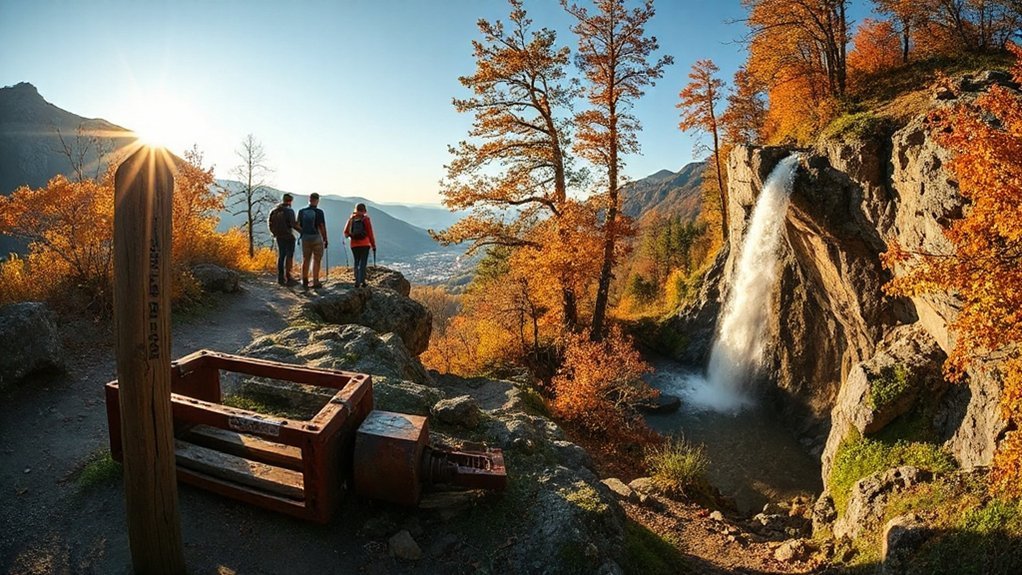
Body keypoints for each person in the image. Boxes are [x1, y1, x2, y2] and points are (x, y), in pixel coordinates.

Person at [297, 192, 328, 289]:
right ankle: (315, 281)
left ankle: (304, 280)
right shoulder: (319, 212)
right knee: (317, 260)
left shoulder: (302, 211)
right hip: (316, 238)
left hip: (305, 238)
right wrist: (325, 238)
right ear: (318, 200)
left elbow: (297, 224)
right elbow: (322, 226)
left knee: (306, 259)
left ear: (309, 199)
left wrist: (302, 232)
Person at [268, 193, 300, 286]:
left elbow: (270, 223)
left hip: (279, 236)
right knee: (289, 256)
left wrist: (274, 233)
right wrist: (303, 232)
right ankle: (289, 277)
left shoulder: (275, 211)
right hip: (288, 236)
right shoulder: (289, 211)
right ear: (290, 201)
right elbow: (293, 225)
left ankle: (280, 278)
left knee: (281, 256)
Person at [344, 202, 376, 288]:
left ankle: (357, 281)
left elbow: (346, 232)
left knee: (356, 262)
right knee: (363, 263)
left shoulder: (351, 219)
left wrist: (351, 236)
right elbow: (370, 233)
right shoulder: (365, 219)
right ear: (364, 210)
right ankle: (363, 281)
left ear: (356, 209)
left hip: (354, 245)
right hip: (365, 244)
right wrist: (373, 245)